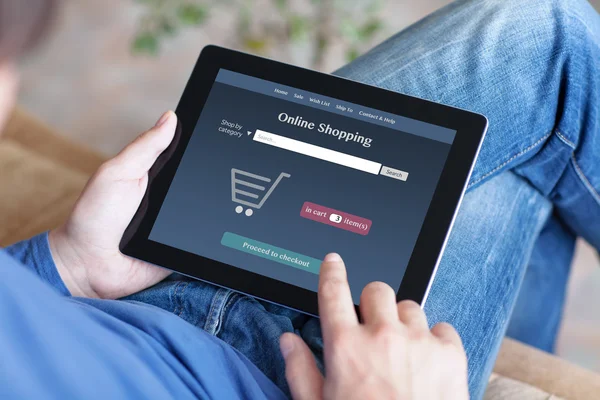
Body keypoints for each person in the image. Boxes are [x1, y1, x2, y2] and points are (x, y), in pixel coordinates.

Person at [1, 0, 598, 398]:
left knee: (514, 111)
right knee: (552, 53)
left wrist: (65, 264)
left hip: (137, 301)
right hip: (302, 382)